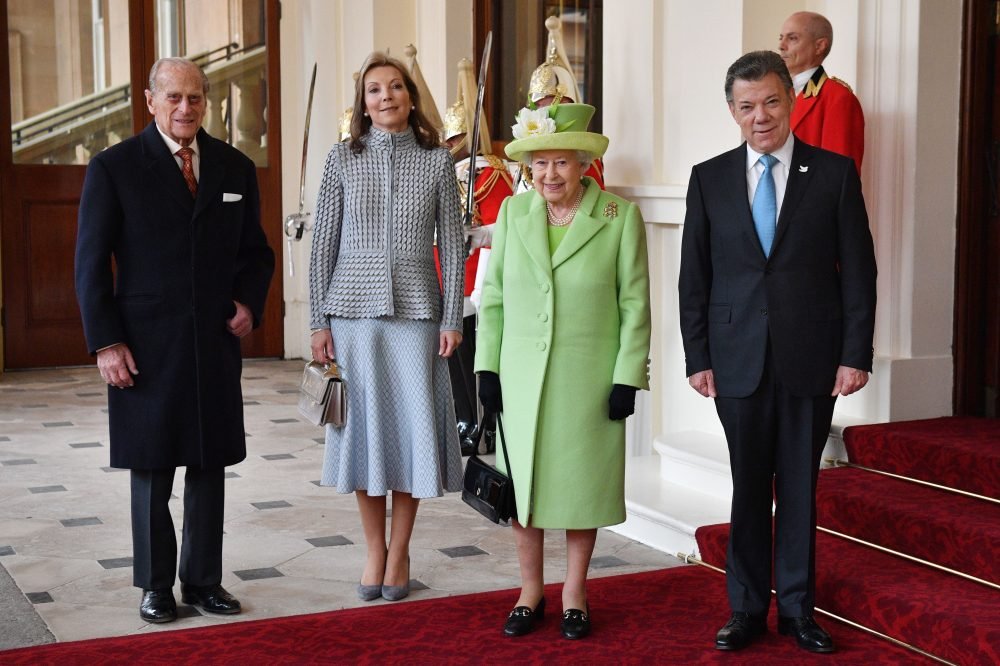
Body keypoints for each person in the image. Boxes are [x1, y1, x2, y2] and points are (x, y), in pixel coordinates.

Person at [678, 51, 876, 653]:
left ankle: (796, 610)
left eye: (770, 101)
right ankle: (745, 610)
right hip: (734, 358)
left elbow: (859, 271)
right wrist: (697, 356)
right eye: (747, 106)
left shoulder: (834, 173)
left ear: (790, 100)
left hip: (811, 357)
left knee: (797, 489)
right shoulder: (708, 178)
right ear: (732, 111)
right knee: (746, 486)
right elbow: (694, 276)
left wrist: (855, 353)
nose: (759, 116)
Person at [75, 57, 275, 623]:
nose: (186, 108)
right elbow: (90, 263)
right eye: (174, 97)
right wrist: (106, 342)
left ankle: (204, 581)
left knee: (209, 463)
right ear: (150, 100)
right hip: (145, 344)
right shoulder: (113, 167)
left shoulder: (235, 167)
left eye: (195, 98)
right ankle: (156, 585)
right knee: (152, 466)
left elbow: (256, 253)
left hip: (212, 341)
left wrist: (248, 302)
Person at [475, 102, 651, 640]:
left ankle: (575, 592)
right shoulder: (513, 213)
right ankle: (530, 591)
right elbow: (494, 297)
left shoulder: (618, 217)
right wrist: (487, 368)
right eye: (540, 163)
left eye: (561, 163)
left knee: (580, 487)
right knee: (522, 491)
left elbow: (635, 306)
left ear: (583, 165)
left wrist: (627, 377)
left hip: (587, 379)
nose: (549, 174)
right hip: (521, 379)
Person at [308, 52, 465, 603]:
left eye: (395, 87)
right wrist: (318, 320)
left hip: (417, 314)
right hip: (352, 316)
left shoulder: (437, 162)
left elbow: (453, 244)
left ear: (410, 98)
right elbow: (323, 243)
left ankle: (400, 552)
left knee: (412, 432)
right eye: (374, 90)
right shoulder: (341, 159)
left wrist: (452, 317)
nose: (386, 97)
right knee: (364, 434)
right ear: (363, 103)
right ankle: (374, 549)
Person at [441, 57, 516, 455]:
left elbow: (500, 224)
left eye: (455, 139)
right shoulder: (449, 172)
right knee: (460, 360)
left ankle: (479, 428)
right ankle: (469, 422)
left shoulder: (485, 173)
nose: (450, 146)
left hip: (473, 277)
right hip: (454, 273)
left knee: (472, 359)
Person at [779, 11, 865, 174]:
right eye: (781, 38)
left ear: (819, 46)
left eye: (792, 38)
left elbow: (838, 174)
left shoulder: (838, 98)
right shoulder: (778, 92)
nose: (781, 46)